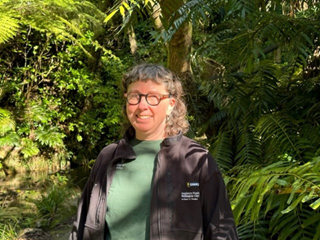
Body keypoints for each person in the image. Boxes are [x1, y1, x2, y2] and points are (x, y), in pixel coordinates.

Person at [69, 63, 238, 240]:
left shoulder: (196, 160)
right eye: (135, 96)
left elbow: (222, 230)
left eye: (153, 97)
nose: (142, 106)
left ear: (171, 104)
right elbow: (81, 228)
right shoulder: (108, 157)